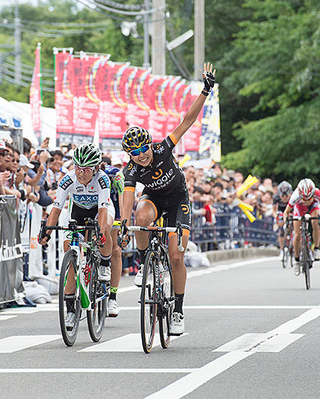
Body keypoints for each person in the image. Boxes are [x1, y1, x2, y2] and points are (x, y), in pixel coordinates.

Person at [119, 62, 216, 336]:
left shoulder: (163, 148)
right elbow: (127, 199)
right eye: (134, 152)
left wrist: (206, 91)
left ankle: (178, 310)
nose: (141, 154)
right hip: (154, 200)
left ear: (150, 144)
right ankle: (143, 263)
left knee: (175, 257)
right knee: (140, 216)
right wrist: (124, 224)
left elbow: (187, 121)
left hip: (178, 200)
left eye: (142, 148)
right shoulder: (132, 169)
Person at [39, 144, 114, 330]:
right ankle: (71, 310)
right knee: (69, 253)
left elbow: (103, 211)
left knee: (106, 228)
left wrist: (101, 234)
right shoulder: (68, 179)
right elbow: (56, 209)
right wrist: (46, 233)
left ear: (96, 168)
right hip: (77, 213)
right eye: (78, 167)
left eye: (86, 169)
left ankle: (104, 264)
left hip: (100, 211)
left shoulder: (103, 180)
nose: (81, 173)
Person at [283, 178, 320, 275]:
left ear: (313, 194)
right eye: (304, 198)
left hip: (314, 206)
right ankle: (297, 260)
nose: (307, 201)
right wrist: (286, 221)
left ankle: (316, 248)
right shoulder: (295, 196)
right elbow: (286, 212)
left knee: (315, 223)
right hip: (299, 207)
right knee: (297, 235)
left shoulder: (319, 194)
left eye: (309, 198)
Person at [101, 155, 125, 317]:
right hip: (95, 207)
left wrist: (123, 221)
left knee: (116, 249)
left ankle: (113, 298)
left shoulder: (115, 175)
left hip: (113, 206)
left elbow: (122, 199)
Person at [274, 181, 292, 257]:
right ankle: (282, 249)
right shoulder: (276, 197)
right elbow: (273, 209)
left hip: (291, 210)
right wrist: (276, 216)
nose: (284, 198)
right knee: (281, 229)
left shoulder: (294, 196)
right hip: (281, 211)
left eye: (286, 196)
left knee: (295, 224)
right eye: (282, 196)